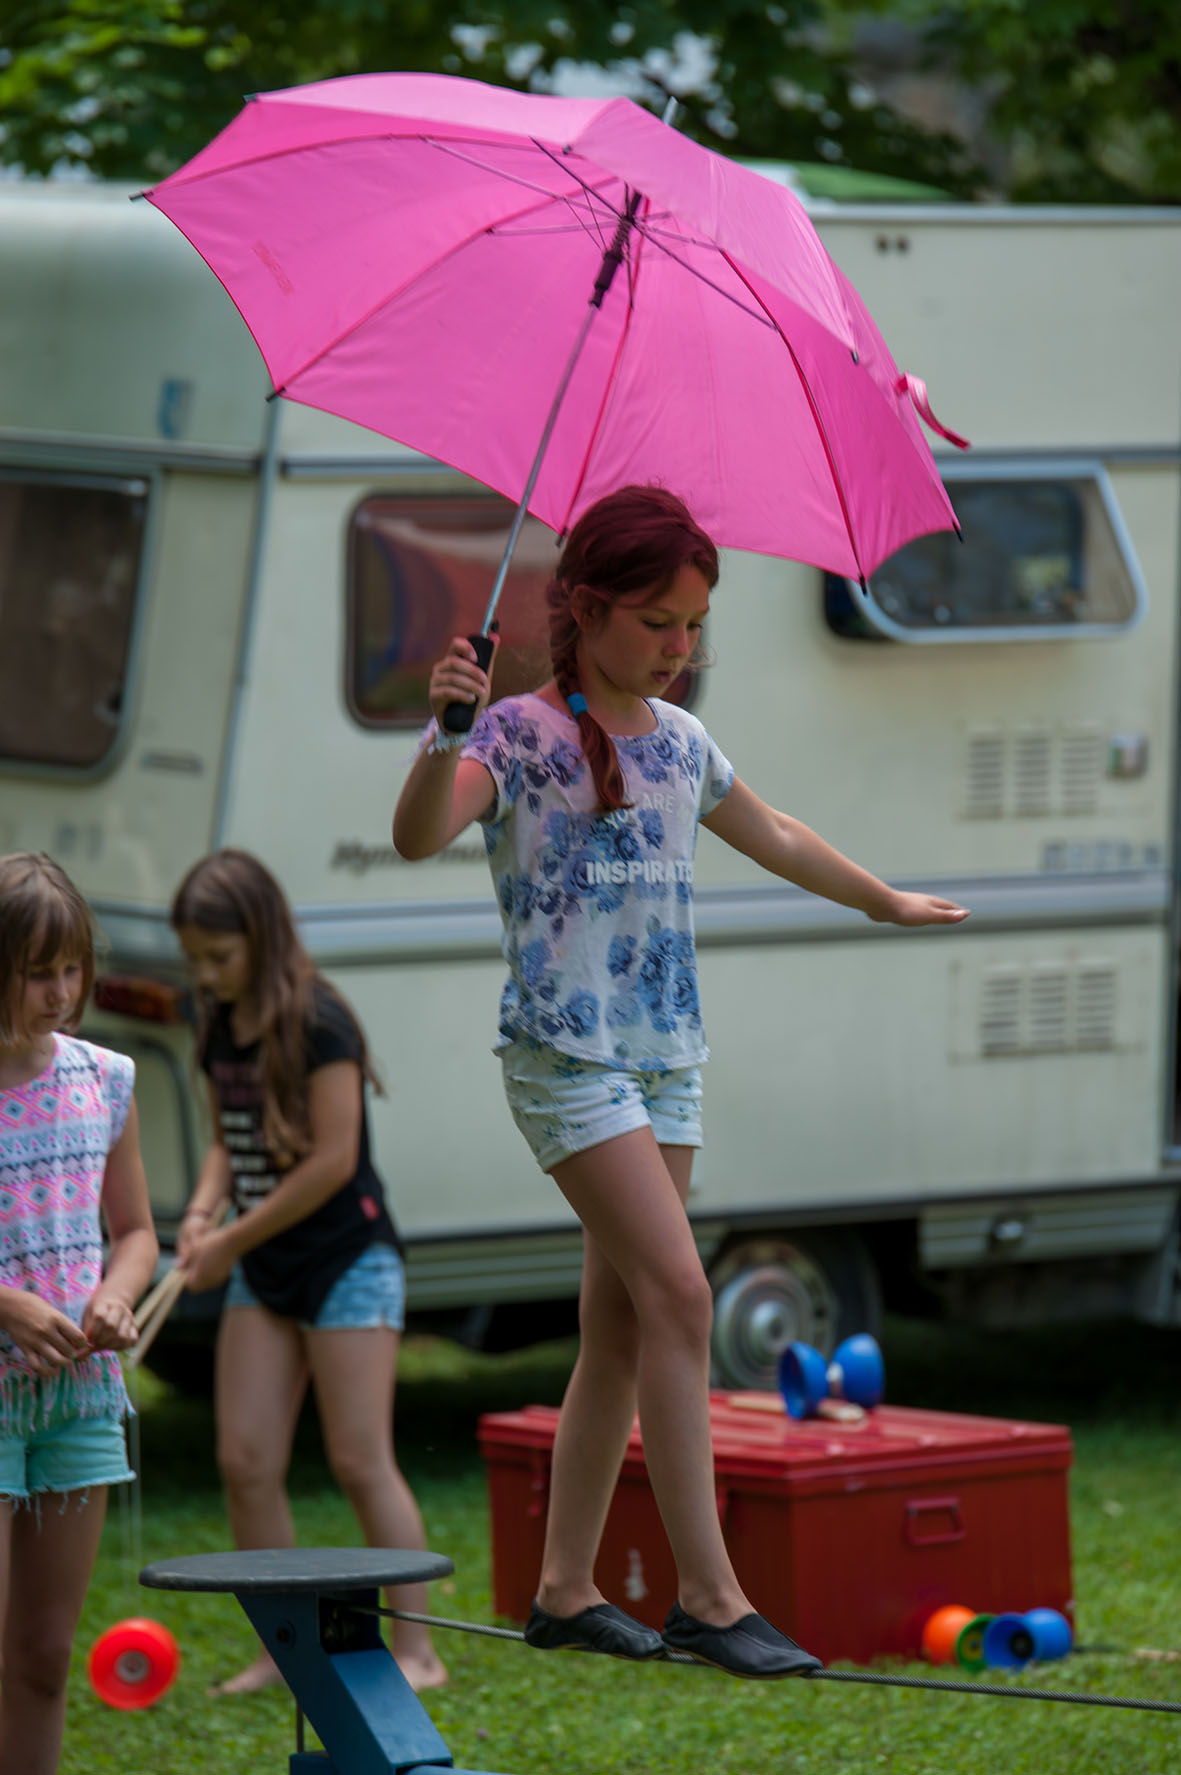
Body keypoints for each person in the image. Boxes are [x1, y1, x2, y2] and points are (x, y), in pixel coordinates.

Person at [392, 485, 969, 1679]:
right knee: (682, 1296)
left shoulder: (680, 740)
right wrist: (441, 728)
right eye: (657, 620)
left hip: (666, 1062)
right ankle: (709, 1594)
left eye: (694, 623)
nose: (679, 645)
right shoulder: (511, 733)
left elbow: (778, 832)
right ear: (587, 608)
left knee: (616, 1325)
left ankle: (561, 1584)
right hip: (569, 1059)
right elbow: (415, 833)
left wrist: (883, 898)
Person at [169, 848, 446, 1695]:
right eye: (195, 960)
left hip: (348, 1258)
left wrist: (230, 1240)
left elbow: (332, 1162)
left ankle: (418, 1652)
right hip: (263, 1256)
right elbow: (227, 1137)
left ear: (260, 936)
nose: (206, 975)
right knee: (245, 1458)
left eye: (219, 956)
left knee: (361, 1457)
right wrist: (197, 1214)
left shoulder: (323, 1019)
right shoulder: (214, 1017)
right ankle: (287, 1650)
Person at [0, 852, 158, 1775]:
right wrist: (9, 1305)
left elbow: (135, 1231)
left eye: (73, 969)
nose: (61, 992)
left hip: (78, 1400)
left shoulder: (107, 1077)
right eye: (36, 971)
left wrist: (116, 1293)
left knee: (44, 1656)